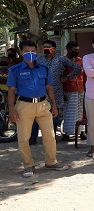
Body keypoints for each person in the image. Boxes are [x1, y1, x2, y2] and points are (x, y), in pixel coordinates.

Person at [6, 40, 69, 178]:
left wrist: (54, 105)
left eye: (33, 51)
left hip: (43, 105)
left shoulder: (43, 69)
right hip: (24, 106)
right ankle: (28, 165)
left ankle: (51, 162)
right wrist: (11, 109)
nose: (30, 54)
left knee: (50, 136)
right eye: (27, 51)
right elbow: (11, 91)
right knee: (24, 138)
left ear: (37, 52)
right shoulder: (15, 70)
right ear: (21, 52)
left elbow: (49, 88)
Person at [30, 39, 82, 145]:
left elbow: (78, 68)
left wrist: (66, 78)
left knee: (54, 115)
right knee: (36, 114)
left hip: (56, 90)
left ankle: (51, 137)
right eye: (44, 47)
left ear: (54, 49)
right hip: (39, 90)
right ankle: (33, 138)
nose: (45, 49)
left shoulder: (61, 59)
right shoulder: (38, 59)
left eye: (48, 47)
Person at [62, 41, 86, 141]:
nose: (77, 51)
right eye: (74, 50)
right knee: (69, 112)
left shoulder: (81, 61)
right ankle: (67, 133)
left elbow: (84, 76)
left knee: (80, 111)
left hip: (80, 89)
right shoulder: (63, 61)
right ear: (68, 49)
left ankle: (81, 131)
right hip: (68, 89)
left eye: (78, 50)